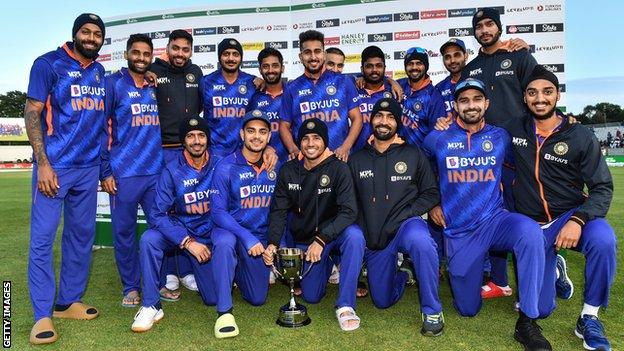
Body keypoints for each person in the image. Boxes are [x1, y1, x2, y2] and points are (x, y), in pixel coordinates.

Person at [423, 79, 551, 351]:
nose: (471, 105)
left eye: (477, 99)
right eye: (464, 100)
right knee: (467, 309)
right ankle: (472, 278)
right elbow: (419, 172)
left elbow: (533, 153)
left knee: (529, 232)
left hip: (495, 220)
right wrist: (433, 202)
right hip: (460, 230)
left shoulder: (501, 136)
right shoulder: (437, 138)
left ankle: (527, 321)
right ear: (455, 106)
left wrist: (566, 121)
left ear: (486, 104)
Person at [504, 66, 616, 351]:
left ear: (557, 95)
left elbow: (602, 188)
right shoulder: (513, 128)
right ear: (524, 97)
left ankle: (589, 318)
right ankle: (553, 270)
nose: (539, 98)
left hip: (570, 215)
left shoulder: (580, 135)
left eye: (547, 92)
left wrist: (578, 220)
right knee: (540, 310)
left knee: (603, 239)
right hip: (533, 226)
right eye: (532, 93)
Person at [24, 13, 106, 345]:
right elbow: (32, 112)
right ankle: (42, 314)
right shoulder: (48, 64)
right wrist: (42, 163)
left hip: (88, 169)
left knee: (80, 236)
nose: (91, 37)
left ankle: (66, 301)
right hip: (54, 168)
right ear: (75, 35)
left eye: (97, 33)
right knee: (43, 239)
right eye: (85, 32)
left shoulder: (99, 71)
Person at [131, 116, 240, 339]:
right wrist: (188, 242)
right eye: (190, 136)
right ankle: (152, 305)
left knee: (211, 297)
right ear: (184, 141)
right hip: (185, 234)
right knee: (149, 239)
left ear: (207, 139)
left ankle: (226, 296)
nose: (196, 140)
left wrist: (270, 152)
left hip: (211, 231)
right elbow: (157, 214)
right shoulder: (172, 170)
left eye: (201, 135)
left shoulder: (221, 163)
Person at [348, 98, 444, 336]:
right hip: (375, 234)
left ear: (398, 123)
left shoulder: (413, 154)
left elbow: (431, 192)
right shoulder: (357, 159)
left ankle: (432, 310)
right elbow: (349, 202)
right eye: (379, 116)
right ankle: (402, 275)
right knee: (381, 300)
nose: (384, 121)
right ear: (371, 121)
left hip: (406, 225)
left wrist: (407, 213)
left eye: (390, 117)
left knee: (422, 242)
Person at [264, 118, 365, 331]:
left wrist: (322, 239)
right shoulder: (288, 170)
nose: (311, 143)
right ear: (299, 142)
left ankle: (346, 304)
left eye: (317, 138)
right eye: (306, 138)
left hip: (335, 234)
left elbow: (349, 212)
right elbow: (278, 211)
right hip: (306, 240)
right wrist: (273, 242)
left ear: (325, 142)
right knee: (312, 297)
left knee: (355, 236)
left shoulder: (339, 168)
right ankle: (328, 265)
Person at [100, 33, 163, 307]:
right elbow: (100, 129)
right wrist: (105, 171)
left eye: (145, 54)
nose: (140, 58)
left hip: (155, 172)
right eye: (135, 53)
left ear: (151, 57)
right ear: (127, 54)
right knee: (124, 233)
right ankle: (130, 287)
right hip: (123, 173)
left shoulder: (154, 83)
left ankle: (157, 283)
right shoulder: (113, 83)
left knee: (159, 229)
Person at [149, 29, 203, 297]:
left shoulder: (196, 73)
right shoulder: (152, 70)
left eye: (185, 49)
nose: (180, 53)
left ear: (190, 51)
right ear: (168, 47)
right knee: (166, 211)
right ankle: (169, 271)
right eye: (176, 48)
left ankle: (187, 270)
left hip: (187, 151)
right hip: (161, 151)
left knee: (188, 209)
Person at [211, 110, 277, 308]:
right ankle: (224, 305)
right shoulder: (225, 166)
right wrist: (245, 236)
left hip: (260, 237)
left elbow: (281, 209)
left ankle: (237, 270)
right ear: (242, 134)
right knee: (224, 242)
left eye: (262, 132)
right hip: (232, 231)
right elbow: (217, 211)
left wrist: (274, 243)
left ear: (269, 136)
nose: (256, 136)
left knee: (257, 299)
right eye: (251, 131)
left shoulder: (276, 166)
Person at [280, 30, 362, 162]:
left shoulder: (343, 81)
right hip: (306, 163)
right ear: (300, 57)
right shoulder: (291, 88)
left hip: (338, 159)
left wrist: (346, 147)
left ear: (324, 54)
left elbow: (357, 118)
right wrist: (293, 149)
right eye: (307, 52)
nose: (313, 57)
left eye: (317, 51)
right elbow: (284, 125)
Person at [201, 38, 256, 158]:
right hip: (215, 153)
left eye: (235, 54)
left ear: (241, 58)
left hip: (244, 153)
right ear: (219, 57)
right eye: (226, 54)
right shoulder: (206, 82)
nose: (231, 58)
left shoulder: (252, 82)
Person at [397, 47, 447, 147]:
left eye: (419, 63)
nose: (414, 67)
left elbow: (436, 134)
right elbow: (377, 80)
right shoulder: (398, 85)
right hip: (396, 153)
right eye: (410, 64)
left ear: (426, 66)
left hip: (421, 156)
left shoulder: (434, 96)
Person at [248, 48, 289, 161]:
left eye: (275, 65)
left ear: (282, 68)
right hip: (263, 161)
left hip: (292, 161)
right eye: (266, 66)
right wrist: (265, 147)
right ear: (260, 70)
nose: (271, 70)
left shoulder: (293, 93)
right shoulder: (254, 97)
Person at [353, 45, 395, 152]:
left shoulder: (394, 91)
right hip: (357, 157)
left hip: (389, 156)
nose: (374, 70)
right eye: (369, 66)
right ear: (362, 69)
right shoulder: (352, 89)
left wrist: (391, 81)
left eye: (379, 66)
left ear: (384, 68)